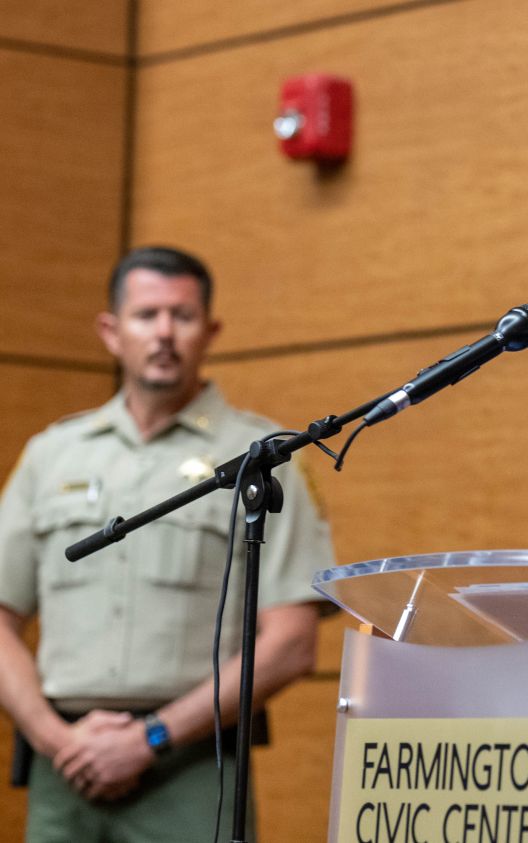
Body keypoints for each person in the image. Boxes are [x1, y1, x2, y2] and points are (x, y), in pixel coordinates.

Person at [0, 246, 337, 842]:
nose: (163, 334)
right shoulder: (51, 455)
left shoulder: (261, 458)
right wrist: (58, 741)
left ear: (210, 331)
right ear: (110, 331)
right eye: (145, 315)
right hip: (63, 763)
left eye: (181, 317)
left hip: (191, 763)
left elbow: (290, 642)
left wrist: (150, 738)